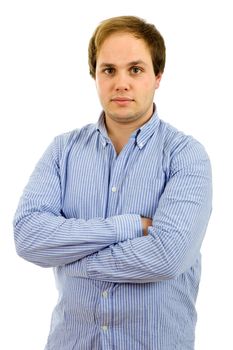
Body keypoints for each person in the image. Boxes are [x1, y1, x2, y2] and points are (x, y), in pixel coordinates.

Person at [13, 15, 212, 350]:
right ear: (95, 76)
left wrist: (71, 258)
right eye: (109, 70)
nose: (121, 83)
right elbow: (28, 236)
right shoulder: (63, 151)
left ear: (157, 77)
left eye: (135, 69)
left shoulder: (186, 155)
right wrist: (127, 227)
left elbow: (167, 256)